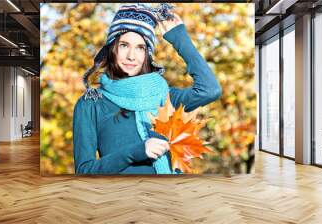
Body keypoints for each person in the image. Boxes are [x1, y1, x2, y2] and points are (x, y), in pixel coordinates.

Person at [73, 4, 221, 174]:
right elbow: (84, 171)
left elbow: (210, 90)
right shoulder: (91, 104)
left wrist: (179, 37)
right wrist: (136, 152)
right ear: (112, 49)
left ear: (147, 55)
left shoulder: (164, 98)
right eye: (124, 45)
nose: (131, 56)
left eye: (140, 48)